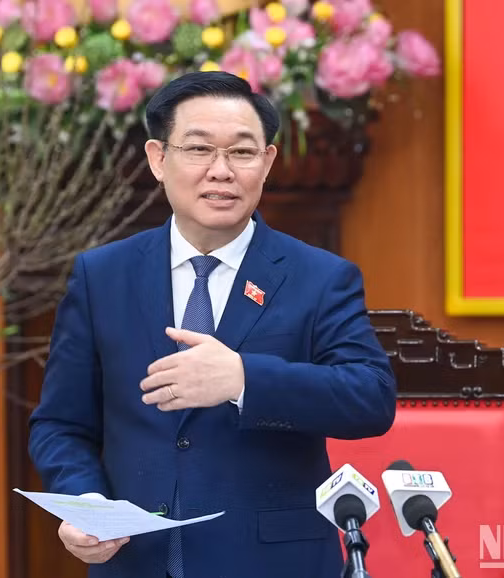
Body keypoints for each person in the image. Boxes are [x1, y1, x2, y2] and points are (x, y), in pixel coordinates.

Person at [28, 70, 397, 578]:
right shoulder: (102, 276)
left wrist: (245, 379)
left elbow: (370, 398)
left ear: (266, 163)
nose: (221, 171)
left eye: (242, 153)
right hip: (134, 561)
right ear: (159, 159)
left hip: (272, 563)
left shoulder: (320, 277)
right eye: (199, 150)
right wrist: (83, 502)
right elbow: (60, 424)